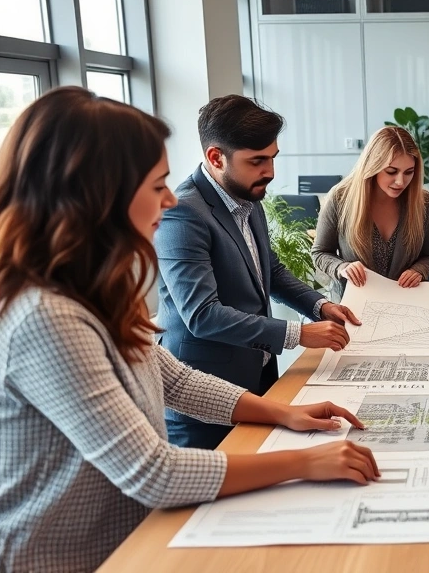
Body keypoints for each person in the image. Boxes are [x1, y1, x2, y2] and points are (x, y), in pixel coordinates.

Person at [0, 87, 379, 573]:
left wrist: (283, 412)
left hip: (125, 543)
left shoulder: (92, 289)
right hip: (63, 559)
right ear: (98, 195)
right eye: (156, 184)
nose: (168, 198)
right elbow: (153, 472)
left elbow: (174, 380)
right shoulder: (47, 316)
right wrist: (306, 462)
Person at [154, 95, 361, 450]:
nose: (270, 171)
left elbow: (270, 271)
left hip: (258, 375)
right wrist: (298, 333)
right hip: (203, 399)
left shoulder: (247, 195)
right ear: (216, 157)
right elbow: (202, 315)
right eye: (257, 161)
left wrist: (319, 306)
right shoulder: (183, 213)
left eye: (272, 158)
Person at [312, 126, 429, 300]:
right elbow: (320, 253)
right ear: (373, 166)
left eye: (409, 172)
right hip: (353, 305)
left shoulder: (424, 203)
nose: (400, 181)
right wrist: (342, 268)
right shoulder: (340, 198)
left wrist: (419, 270)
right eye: (391, 171)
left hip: (405, 303)